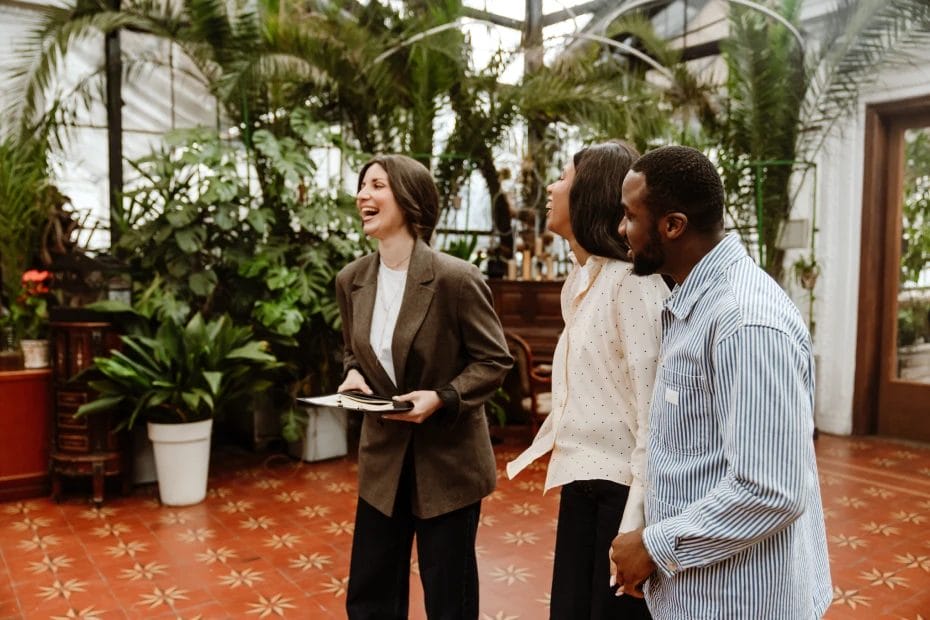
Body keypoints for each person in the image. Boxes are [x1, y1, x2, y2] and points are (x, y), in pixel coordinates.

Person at [610, 146, 832, 618]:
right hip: (698, 586)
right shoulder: (698, 302)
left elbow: (769, 488)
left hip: (738, 601)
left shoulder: (744, 321)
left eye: (630, 217)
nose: (621, 230)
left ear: (673, 226)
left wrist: (655, 546)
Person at [335, 154, 513, 620]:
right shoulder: (351, 280)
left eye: (377, 185)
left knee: (449, 596)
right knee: (370, 595)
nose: (363, 196)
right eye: (361, 186)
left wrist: (443, 397)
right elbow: (357, 352)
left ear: (410, 200)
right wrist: (354, 374)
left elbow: (494, 360)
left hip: (448, 465)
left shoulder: (456, 278)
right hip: (383, 463)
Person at [506, 141, 667, 620]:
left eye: (562, 176)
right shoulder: (580, 282)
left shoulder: (634, 285)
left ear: (589, 195)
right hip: (582, 481)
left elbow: (652, 416)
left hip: (620, 493)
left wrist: (636, 526)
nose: (552, 188)